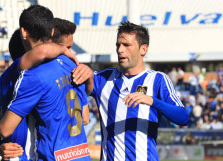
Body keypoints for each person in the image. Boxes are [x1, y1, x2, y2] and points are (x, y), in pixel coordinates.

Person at [75, 21, 189, 160]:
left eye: (127, 45)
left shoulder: (158, 79)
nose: (120, 50)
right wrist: (84, 70)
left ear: (143, 49)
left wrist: (152, 101)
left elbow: (183, 118)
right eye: (118, 45)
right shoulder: (104, 79)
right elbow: (82, 81)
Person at [0, 5, 91, 161]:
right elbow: (85, 118)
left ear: (23, 32)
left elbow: (4, 129)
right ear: (52, 32)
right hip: (80, 155)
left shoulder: (31, 76)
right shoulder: (72, 64)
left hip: (50, 156)